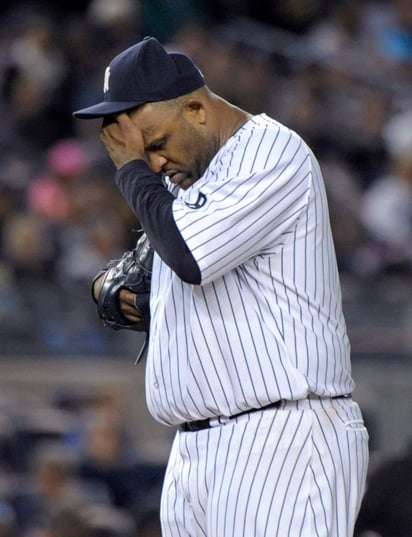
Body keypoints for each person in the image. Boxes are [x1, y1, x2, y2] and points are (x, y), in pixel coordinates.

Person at [73, 36, 369, 537]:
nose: (154, 165)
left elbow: (188, 254)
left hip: (281, 442)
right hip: (198, 451)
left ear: (196, 108)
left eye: (157, 145)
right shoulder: (189, 180)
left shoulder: (270, 152)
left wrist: (128, 168)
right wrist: (106, 287)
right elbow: (146, 264)